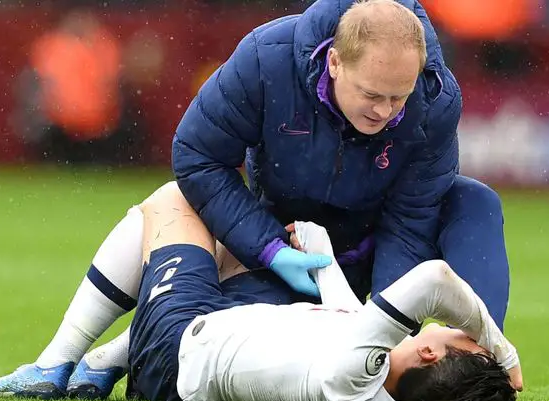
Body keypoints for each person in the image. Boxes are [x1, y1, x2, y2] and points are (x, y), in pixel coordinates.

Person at [0, 183, 523, 401]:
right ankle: (101, 365)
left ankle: (55, 363)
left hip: (179, 343)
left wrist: (502, 349)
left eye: (465, 341)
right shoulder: (376, 383)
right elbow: (344, 312)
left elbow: (434, 278)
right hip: (193, 360)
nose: (465, 332)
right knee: (244, 254)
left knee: (178, 199)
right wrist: (319, 248)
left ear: (429, 352)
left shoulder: (355, 371)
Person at [171, 0, 512, 331]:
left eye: (398, 97)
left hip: (373, 244)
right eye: (371, 95)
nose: (384, 111)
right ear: (334, 62)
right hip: (287, 245)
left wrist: (388, 324)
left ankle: (479, 355)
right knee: (245, 343)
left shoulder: (434, 98)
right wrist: (269, 248)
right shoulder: (265, 61)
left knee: (474, 201)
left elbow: (412, 219)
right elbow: (198, 155)